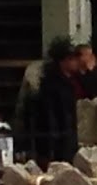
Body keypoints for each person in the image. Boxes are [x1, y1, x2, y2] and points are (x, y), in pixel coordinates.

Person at [31, 36, 81, 166]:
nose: (76, 62)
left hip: (67, 137)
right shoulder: (51, 86)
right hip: (56, 141)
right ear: (63, 62)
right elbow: (51, 115)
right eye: (72, 59)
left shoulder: (70, 83)